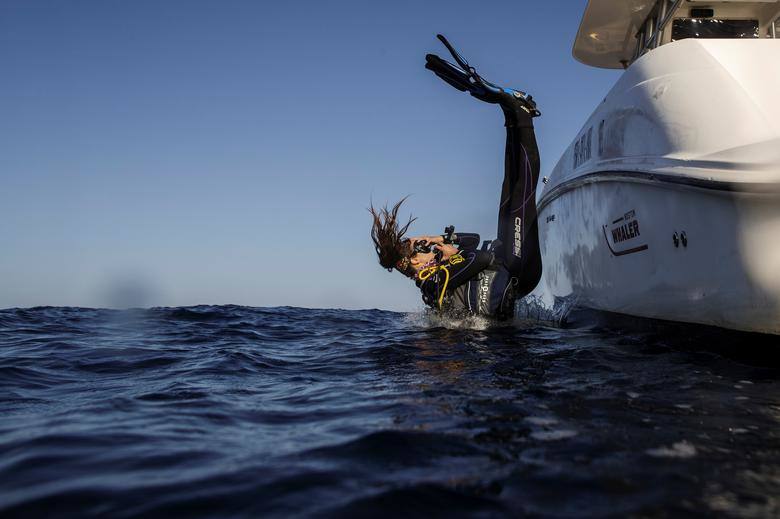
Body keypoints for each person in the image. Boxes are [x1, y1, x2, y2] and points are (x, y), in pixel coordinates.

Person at [369, 35, 543, 320]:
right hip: (518, 268)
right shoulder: (436, 282)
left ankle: (511, 114)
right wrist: (446, 253)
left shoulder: (439, 272)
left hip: (510, 263)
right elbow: (481, 257)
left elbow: (473, 240)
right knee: (523, 190)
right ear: (415, 263)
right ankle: (521, 115)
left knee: (509, 186)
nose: (429, 250)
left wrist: (435, 238)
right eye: (423, 250)